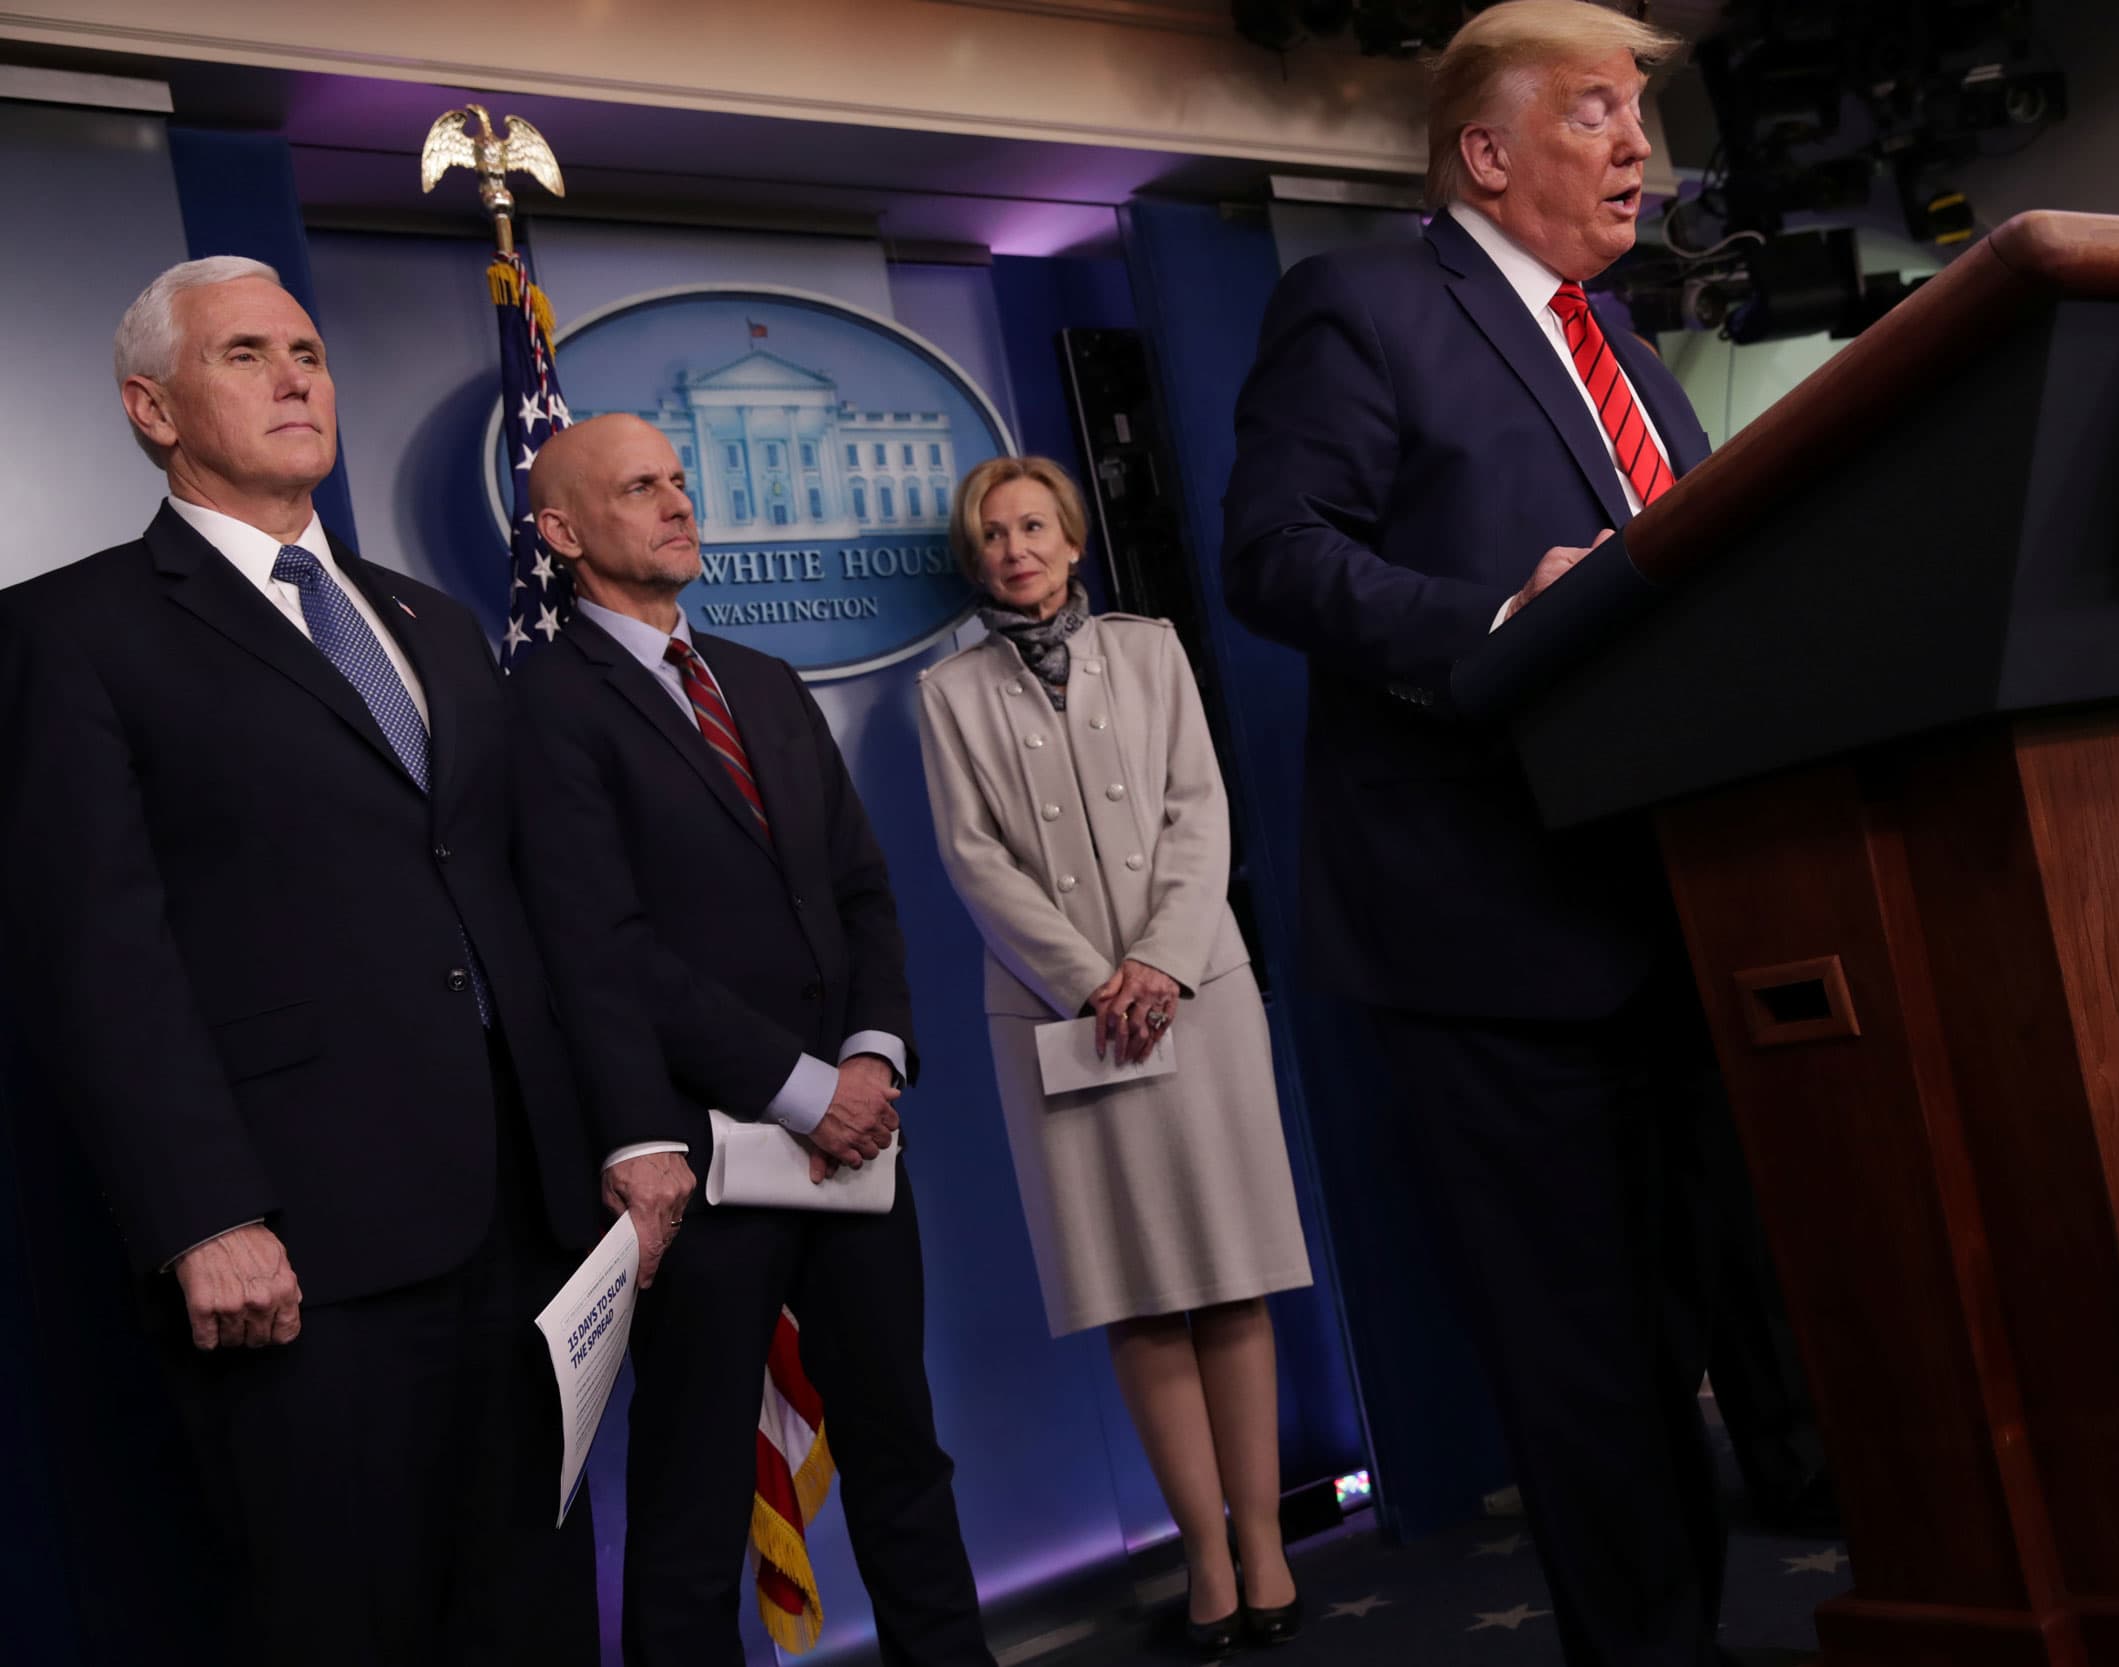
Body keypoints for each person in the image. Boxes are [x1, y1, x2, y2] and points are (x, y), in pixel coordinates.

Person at [1220, 6, 1732, 1664]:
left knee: (1678, 1332)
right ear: (1489, 153)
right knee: (1580, 1348)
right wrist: (1496, 612)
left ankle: (1697, 1626)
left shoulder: (1633, 354)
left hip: (1677, 896)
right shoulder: (1363, 305)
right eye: (1597, 111)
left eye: (1640, 112)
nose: (1637, 144)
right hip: (1490, 917)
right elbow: (1276, 553)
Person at [0, 256, 602, 1666]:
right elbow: (94, 949)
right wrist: (204, 1210)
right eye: (248, 353)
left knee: (532, 1610)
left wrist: (607, 1139)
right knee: (345, 1618)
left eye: (311, 351)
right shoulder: (68, 632)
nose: (296, 378)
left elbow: (513, 900)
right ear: (152, 407)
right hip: (301, 1246)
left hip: (518, 1220)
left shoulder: (434, 623)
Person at [509, 413, 994, 1667]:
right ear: (562, 534)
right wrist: (800, 1089)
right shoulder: (548, 705)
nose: (679, 502)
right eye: (638, 488)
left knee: (904, 1451)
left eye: (679, 479)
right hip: (701, 1164)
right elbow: (603, 946)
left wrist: (872, 1061)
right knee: (689, 1499)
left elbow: (859, 895)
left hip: (854, 1152)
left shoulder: (762, 683)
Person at [916, 455, 1315, 1654]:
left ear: (1074, 540)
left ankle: (1266, 1544)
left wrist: (1160, 964)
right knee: (1136, 1295)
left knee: (1231, 1275)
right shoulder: (946, 691)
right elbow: (972, 858)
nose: (1013, 548)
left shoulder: (1150, 651)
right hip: (1060, 1016)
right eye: (991, 534)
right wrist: (1096, 981)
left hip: (1197, 994)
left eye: (1033, 525)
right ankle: (1202, 1554)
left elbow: (1203, 809)